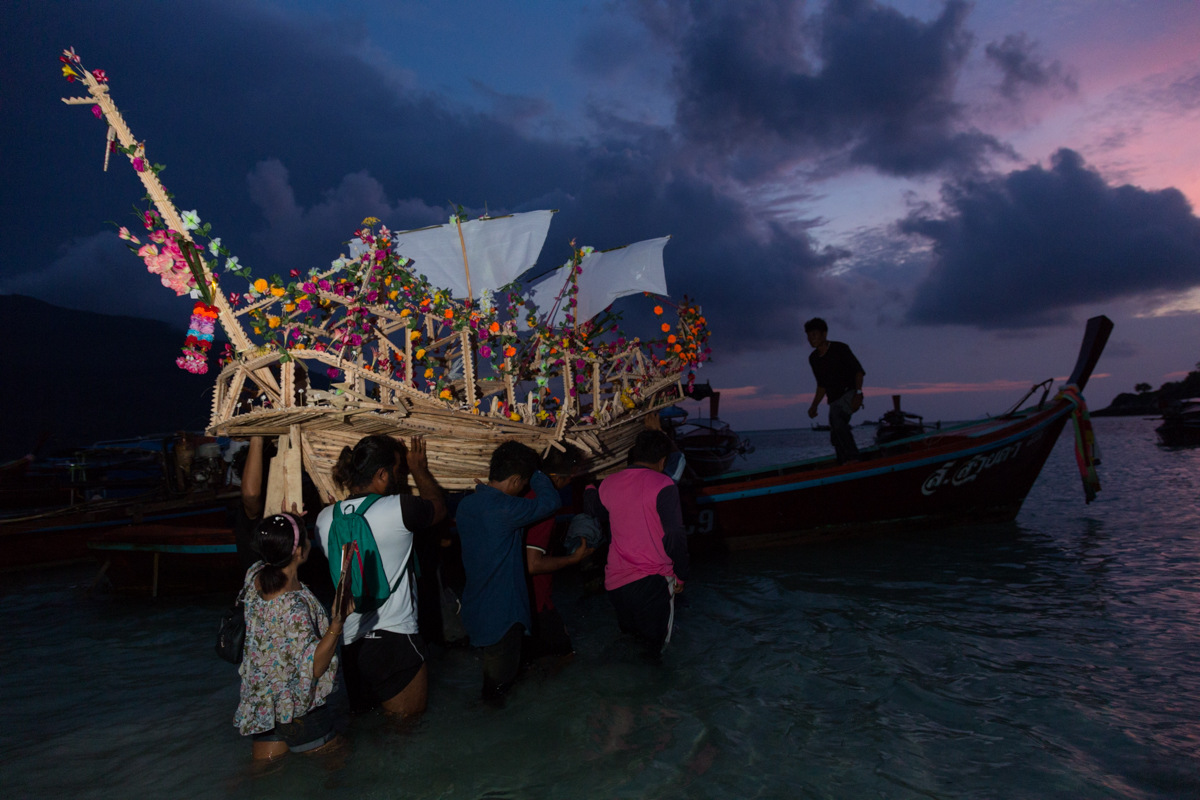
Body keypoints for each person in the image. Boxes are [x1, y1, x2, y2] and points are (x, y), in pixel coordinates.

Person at [314, 435, 446, 716]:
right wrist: (420, 469)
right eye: (398, 470)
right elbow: (438, 507)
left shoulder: (324, 519)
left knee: (369, 735)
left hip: (350, 643)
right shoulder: (400, 509)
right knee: (406, 734)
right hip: (395, 640)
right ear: (382, 474)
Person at [234, 512, 350, 760]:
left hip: (264, 707)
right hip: (300, 711)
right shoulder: (294, 606)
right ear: (298, 551)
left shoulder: (254, 575)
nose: (310, 543)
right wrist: (337, 623)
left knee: (264, 777)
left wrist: (288, 516)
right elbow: (315, 667)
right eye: (306, 538)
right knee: (340, 771)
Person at [456, 441, 562, 702]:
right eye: (523, 482)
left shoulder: (466, 506)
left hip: (476, 609)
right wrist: (537, 473)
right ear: (515, 479)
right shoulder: (507, 510)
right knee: (497, 693)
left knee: (496, 678)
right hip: (502, 616)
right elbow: (551, 501)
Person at [593, 429, 690, 656]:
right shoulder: (663, 484)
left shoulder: (607, 483)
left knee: (631, 644)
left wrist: (589, 487)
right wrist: (682, 573)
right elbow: (674, 533)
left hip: (616, 585)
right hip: (652, 582)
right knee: (655, 652)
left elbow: (596, 511)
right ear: (663, 460)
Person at [524, 446, 594, 660]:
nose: (570, 481)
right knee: (563, 658)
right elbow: (533, 564)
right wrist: (575, 558)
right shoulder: (544, 506)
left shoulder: (525, 493)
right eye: (570, 477)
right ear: (559, 477)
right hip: (536, 601)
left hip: (520, 598)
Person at [804, 317, 866, 464]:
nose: (810, 339)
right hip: (833, 400)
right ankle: (843, 463)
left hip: (849, 393)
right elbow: (821, 385)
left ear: (824, 334)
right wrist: (814, 406)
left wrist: (858, 394)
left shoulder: (840, 348)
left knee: (837, 421)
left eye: (814, 334)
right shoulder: (813, 358)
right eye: (808, 336)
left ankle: (854, 458)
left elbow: (858, 372)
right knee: (836, 433)